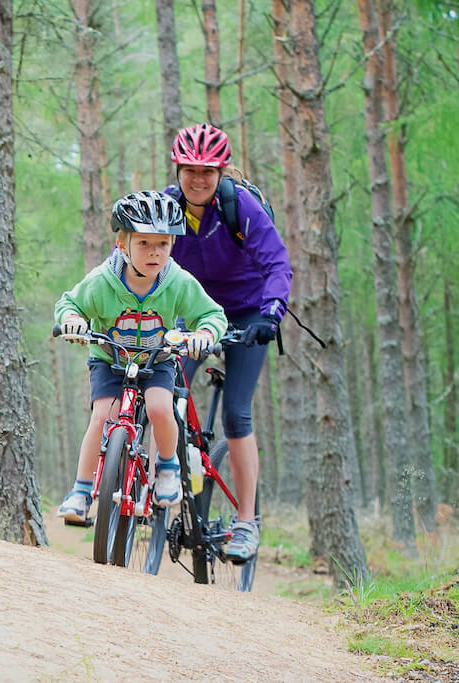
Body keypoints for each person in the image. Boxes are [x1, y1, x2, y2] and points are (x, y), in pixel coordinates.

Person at [54, 190, 228, 523]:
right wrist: (73, 321)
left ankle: (166, 467)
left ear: (172, 246)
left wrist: (203, 336)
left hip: (157, 359)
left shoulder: (176, 281)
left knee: (161, 407)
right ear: (123, 245)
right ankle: (80, 491)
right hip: (111, 359)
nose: (154, 252)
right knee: (103, 415)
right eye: (144, 243)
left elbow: (212, 314)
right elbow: (68, 304)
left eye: (162, 244)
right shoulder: (103, 281)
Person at [163, 122, 293, 563]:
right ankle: (163, 480)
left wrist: (271, 313)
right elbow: (126, 254)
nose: (198, 179)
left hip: (247, 313)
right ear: (178, 169)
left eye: (208, 171)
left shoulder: (240, 207)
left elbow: (277, 263)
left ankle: (246, 521)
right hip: (196, 314)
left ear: (221, 172)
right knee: (162, 387)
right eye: (190, 170)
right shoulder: (164, 208)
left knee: (237, 412)